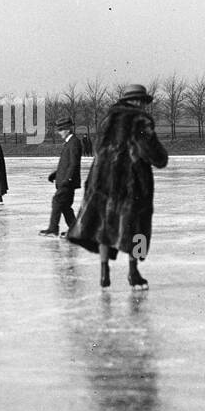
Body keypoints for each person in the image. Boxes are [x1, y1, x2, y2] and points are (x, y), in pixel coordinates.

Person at [67, 84, 169, 288]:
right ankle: (134, 271)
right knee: (138, 228)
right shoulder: (140, 120)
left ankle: (104, 272)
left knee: (104, 227)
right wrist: (160, 157)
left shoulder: (107, 119)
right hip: (132, 185)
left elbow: (98, 149)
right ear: (138, 101)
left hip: (103, 183)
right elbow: (153, 153)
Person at [40, 117, 83, 235]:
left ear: (67, 129)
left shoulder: (74, 142)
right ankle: (76, 231)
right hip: (65, 180)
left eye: (61, 130)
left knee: (57, 201)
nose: (59, 133)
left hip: (67, 182)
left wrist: (68, 179)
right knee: (65, 206)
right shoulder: (70, 142)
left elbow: (74, 163)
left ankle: (53, 229)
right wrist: (55, 175)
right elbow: (66, 163)